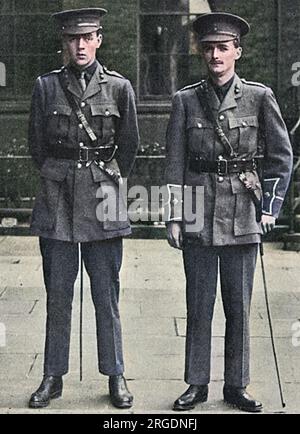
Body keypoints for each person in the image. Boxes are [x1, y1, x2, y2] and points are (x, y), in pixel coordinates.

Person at [165, 12, 293, 412]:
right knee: (198, 305)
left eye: (223, 47)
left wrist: (269, 207)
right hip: (198, 214)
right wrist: (173, 216)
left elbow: (280, 157)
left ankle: (236, 386)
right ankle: (196, 384)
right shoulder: (185, 100)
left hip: (243, 214)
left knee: (238, 306)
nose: (215, 55)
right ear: (202, 52)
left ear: (238, 51)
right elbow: (175, 162)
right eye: (209, 48)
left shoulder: (259, 97)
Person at [28, 7, 139, 409]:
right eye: (72, 39)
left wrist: (103, 180)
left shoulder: (120, 88)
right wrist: (60, 175)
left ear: (99, 40)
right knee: (57, 292)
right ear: (64, 43)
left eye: (87, 37)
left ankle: (116, 375)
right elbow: (36, 146)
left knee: (106, 292)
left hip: (103, 198)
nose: (80, 45)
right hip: (57, 199)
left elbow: (128, 148)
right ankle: (52, 376)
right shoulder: (45, 87)